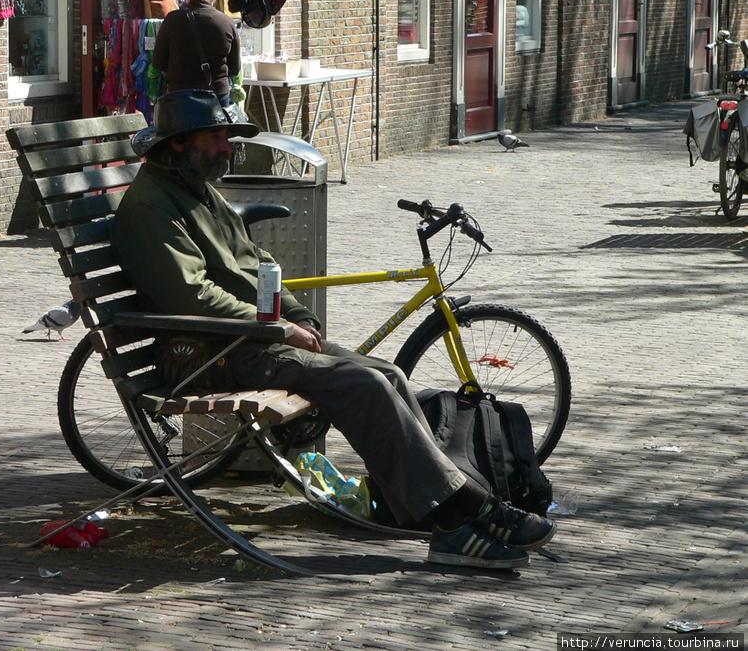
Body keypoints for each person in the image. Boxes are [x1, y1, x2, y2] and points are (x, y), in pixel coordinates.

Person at [113, 89, 557, 569]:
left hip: (244, 339)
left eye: (228, 137)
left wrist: (297, 313)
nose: (228, 147)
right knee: (360, 384)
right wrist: (278, 329)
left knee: (386, 374)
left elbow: (257, 263)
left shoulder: (197, 188)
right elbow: (192, 297)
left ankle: (417, 509)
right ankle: (463, 514)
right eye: (216, 137)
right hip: (202, 351)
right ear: (178, 142)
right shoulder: (151, 207)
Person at [151, 0, 240, 106]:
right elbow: (234, 69)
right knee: (217, 126)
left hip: (180, 95)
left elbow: (158, 63)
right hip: (217, 94)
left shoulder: (172, 20)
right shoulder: (226, 22)